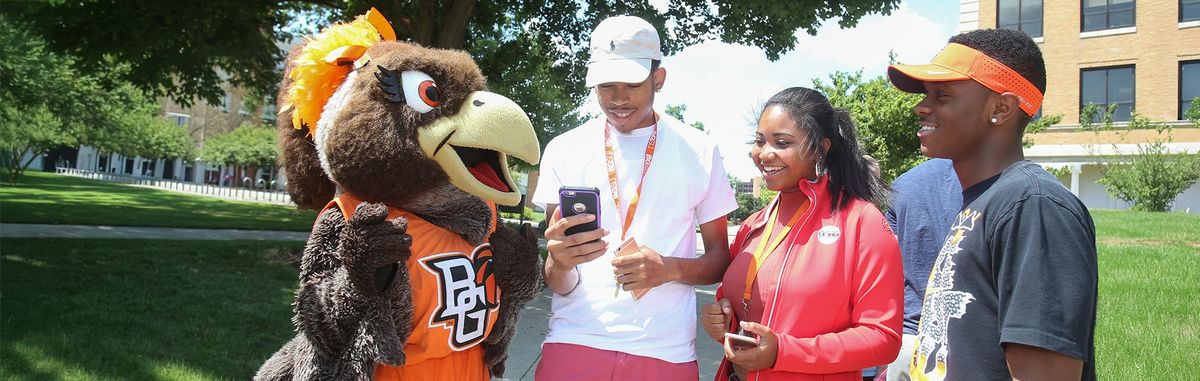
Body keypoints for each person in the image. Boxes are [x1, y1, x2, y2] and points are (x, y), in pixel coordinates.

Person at [531, 15, 738, 380]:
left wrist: (668, 269)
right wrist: (558, 263)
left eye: (632, 83)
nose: (618, 98)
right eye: (606, 85)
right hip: (575, 340)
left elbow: (720, 258)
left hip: (665, 350)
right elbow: (559, 279)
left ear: (659, 79)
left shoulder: (700, 150)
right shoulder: (564, 149)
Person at [887, 28, 1098, 380]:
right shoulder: (982, 201)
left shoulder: (1032, 206)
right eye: (926, 94)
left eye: (942, 94)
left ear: (1001, 108)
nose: (920, 106)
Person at [700, 86, 904, 381]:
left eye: (782, 142)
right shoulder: (753, 224)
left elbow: (883, 338)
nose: (764, 154)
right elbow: (737, 304)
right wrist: (722, 319)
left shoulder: (861, 222)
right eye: (760, 141)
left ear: (821, 148)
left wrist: (784, 352)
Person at [874, 159, 961, 381]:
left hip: (910, 339)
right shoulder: (985, 180)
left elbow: (885, 261)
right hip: (967, 342)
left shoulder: (905, 184)